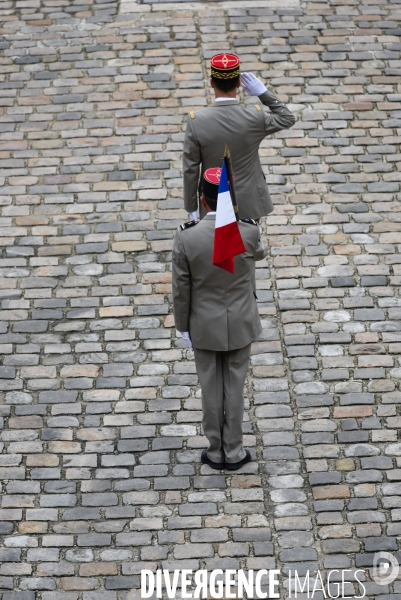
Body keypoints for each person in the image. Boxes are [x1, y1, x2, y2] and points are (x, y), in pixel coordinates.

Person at [172, 168, 267, 471]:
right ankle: (235, 451)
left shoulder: (187, 237)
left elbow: (181, 290)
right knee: (235, 386)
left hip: (204, 323)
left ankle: (215, 452)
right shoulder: (250, 231)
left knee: (211, 387)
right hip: (240, 320)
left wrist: (182, 325)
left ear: (202, 199)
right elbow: (258, 253)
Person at [183, 53, 296, 222]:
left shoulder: (196, 121)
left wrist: (191, 206)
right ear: (238, 83)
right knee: (250, 246)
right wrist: (264, 93)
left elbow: (190, 169)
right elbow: (287, 118)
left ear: (212, 83)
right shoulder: (256, 117)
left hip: (214, 201)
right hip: (249, 202)